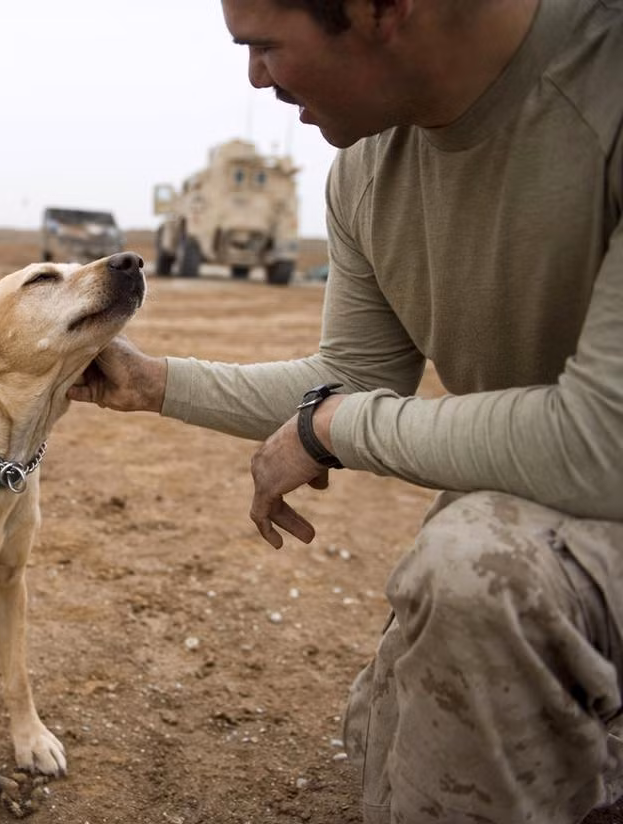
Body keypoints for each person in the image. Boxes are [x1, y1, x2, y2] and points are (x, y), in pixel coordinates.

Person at [68, 1, 622, 822]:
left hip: (583, 497)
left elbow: (601, 440)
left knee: (477, 574)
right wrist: (153, 383)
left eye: (262, 45)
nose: (254, 76)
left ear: (381, 10)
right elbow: (353, 373)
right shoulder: (367, 168)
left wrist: (330, 428)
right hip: (566, 511)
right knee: (386, 745)